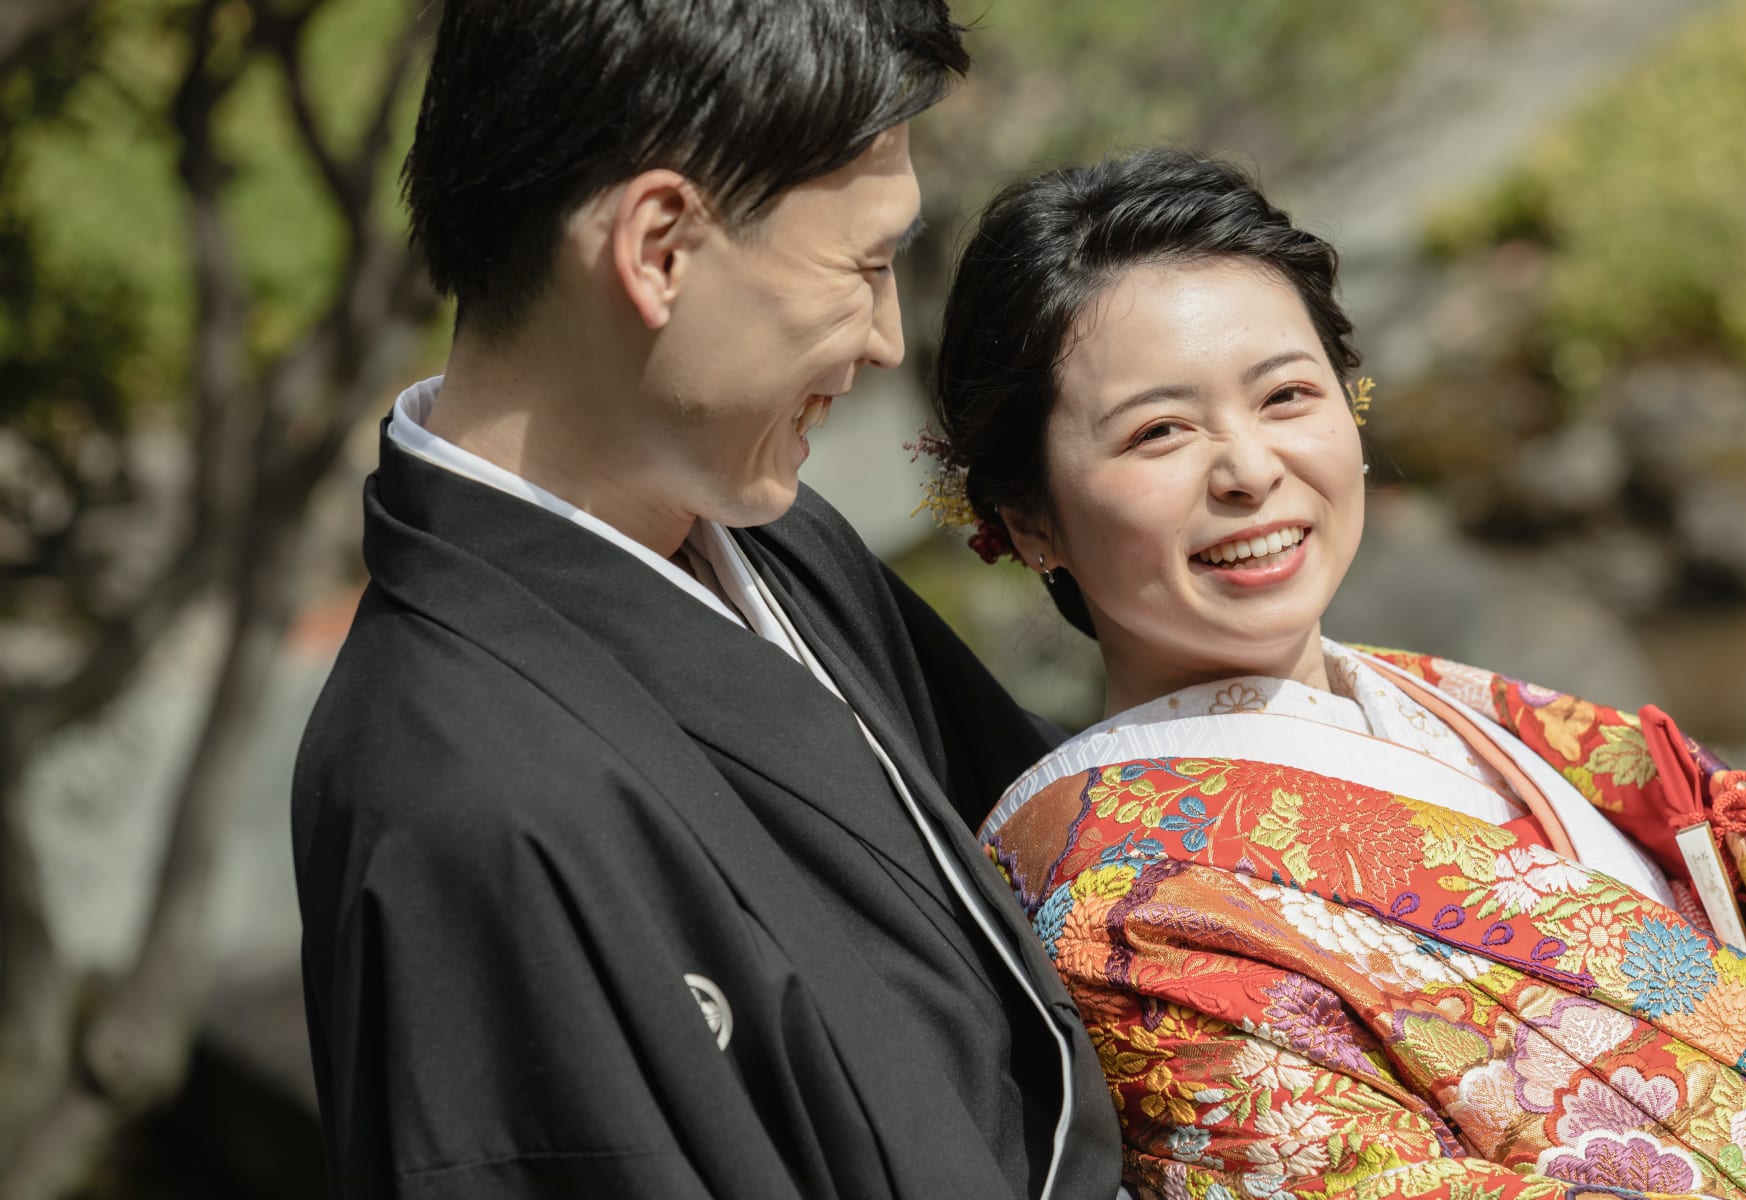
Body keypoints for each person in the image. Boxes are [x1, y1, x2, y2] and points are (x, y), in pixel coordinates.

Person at [289, 3, 1122, 1197]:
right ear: (660, 247)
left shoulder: (768, 538)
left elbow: (1078, 846)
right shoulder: (457, 806)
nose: (889, 339)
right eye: (866, 266)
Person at [929, 148, 1746, 1200]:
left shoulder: (1454, 711)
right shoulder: (1121, 921)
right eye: (1159, 432)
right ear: (1028, 520)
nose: (1251, 470)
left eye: (1286, 395)